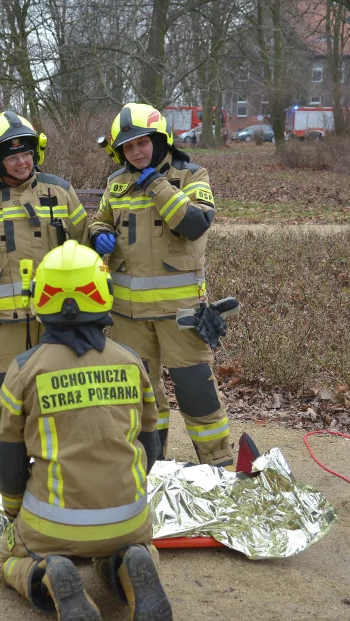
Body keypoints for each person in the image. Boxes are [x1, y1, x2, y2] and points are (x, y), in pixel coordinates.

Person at [0, 240, 170, 621]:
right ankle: (126, 562)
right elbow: (152, 442)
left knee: (7, 558)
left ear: (40, 298)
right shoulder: (131, 362)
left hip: (51, 524)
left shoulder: (23, 371)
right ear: (102, 294)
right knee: (141, 545)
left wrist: (15, 510)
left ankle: (46, 572)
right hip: (127, 516)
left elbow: (9, 459)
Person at [89, 103, 232, 466]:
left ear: (159, 139)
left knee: (196, 390)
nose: (136, 152)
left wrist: (155, 183)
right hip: (127, 314)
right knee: (139, 395)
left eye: (142, 143)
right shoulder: (116, 184)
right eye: (128, 147)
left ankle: (217, 467)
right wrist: (100, 233)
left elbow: (196, 224)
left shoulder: (192, 176)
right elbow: (99, 220)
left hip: (180, 312)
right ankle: (150, 467)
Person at [0, 111, 89, 419]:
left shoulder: (60, 191)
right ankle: (12, 460)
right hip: (8, 319)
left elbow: (87, 245)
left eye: (27, 153)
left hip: (60, 314)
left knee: (60, 395)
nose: (22, 162)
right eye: (13, 157)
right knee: (8, 392)